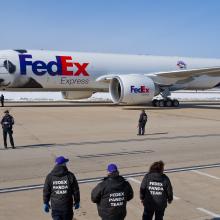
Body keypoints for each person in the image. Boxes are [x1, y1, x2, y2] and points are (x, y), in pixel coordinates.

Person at [43, 156, 80, 220]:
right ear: (64, 164)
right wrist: (77, 201)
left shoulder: (50, 176)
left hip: (55, 207)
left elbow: (46, 191)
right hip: (67, 206)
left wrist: (46, 202)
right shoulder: (70, 175)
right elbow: (75, 190)